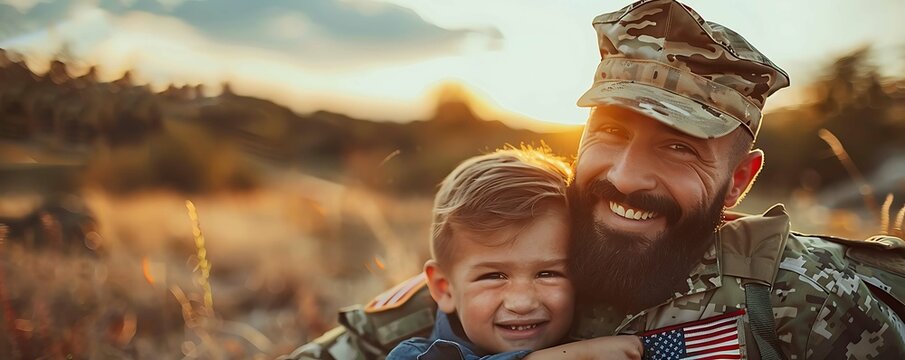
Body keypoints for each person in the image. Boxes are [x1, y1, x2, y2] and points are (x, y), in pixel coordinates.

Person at [281, 1, 905, 359]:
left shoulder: (803, 294)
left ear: (739, 180)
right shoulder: (518, 252)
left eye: (679, 149)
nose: (627, 178)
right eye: (608, 133)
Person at [386, 148, 642, 360]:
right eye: (494, 276)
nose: (522, 303)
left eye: (547, 273)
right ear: (445, 289)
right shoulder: (417, 354)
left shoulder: (597, 328)